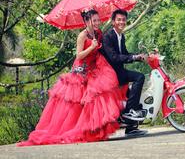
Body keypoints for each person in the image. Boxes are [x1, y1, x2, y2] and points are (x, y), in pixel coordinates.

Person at [17, 9, 127, 146]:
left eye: (98, 20)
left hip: (96, 67)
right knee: (77, 104)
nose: (97, 22)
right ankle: (76, 129)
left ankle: (94, 130)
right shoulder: (82, 35)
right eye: (94, 20)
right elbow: (79, 56)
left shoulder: (98, 33)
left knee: (96, 98)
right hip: (82, 69)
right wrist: (92, 47)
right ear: (87, 21)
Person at [102, 9, 147, 137]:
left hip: (119, 71)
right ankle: (130, 111)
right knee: (139, 77)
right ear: (113, 22)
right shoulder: (108, 36)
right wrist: (132, 58)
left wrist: (138, 56)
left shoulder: (121, 36)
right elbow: (114, 57)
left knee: (133, 94)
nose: (122, 22)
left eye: (123, 20)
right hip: (112, 73)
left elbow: (125, 54)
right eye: (119, 20)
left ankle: (131, 128)